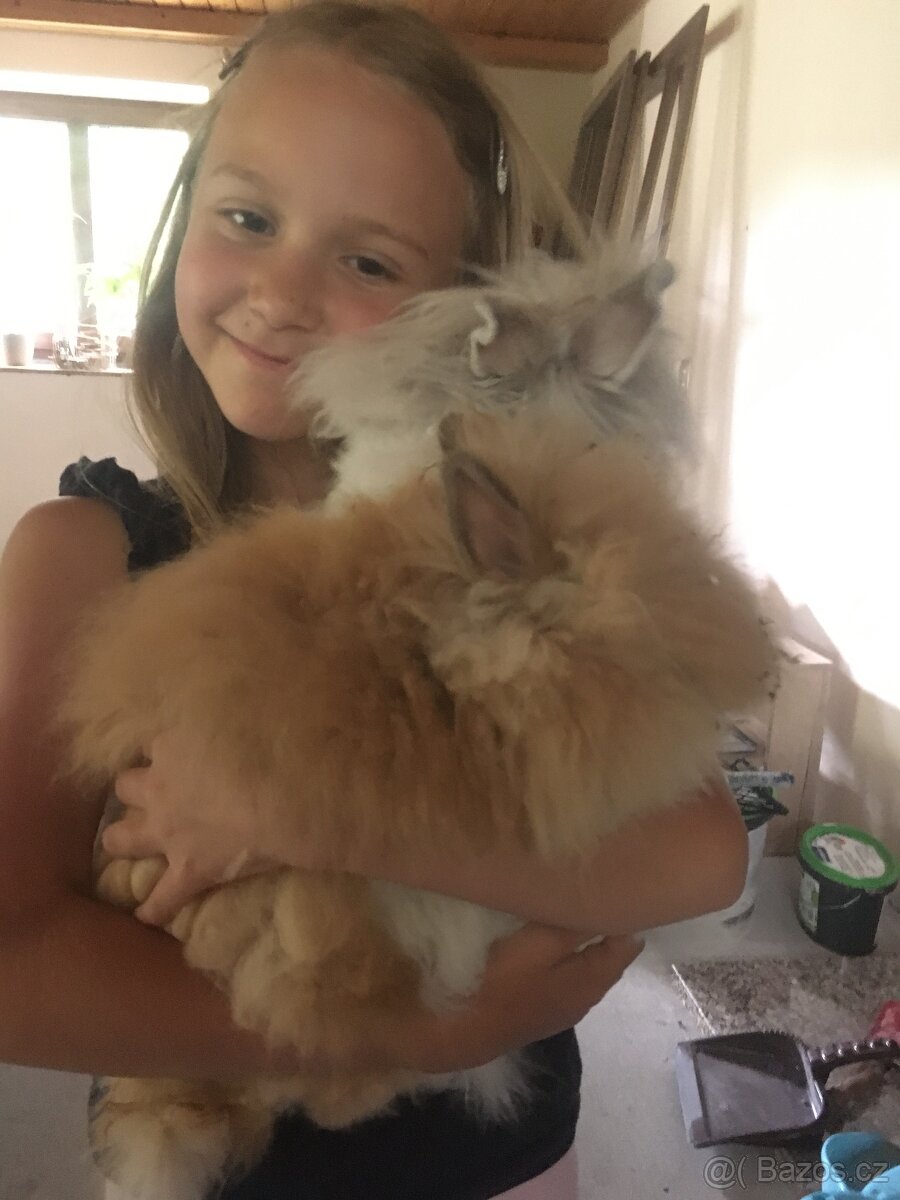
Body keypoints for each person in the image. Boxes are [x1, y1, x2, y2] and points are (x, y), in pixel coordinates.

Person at [0, 4, 749, 1198]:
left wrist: (302, 816)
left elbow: (703, 859)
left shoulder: (524, 531)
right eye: (248, 219)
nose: (283, 290)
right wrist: (416, 1034)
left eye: (369, 262)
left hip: (501, 1165)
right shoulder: (78, 552)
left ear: (458, 300)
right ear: (184, 218)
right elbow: (16, 969)